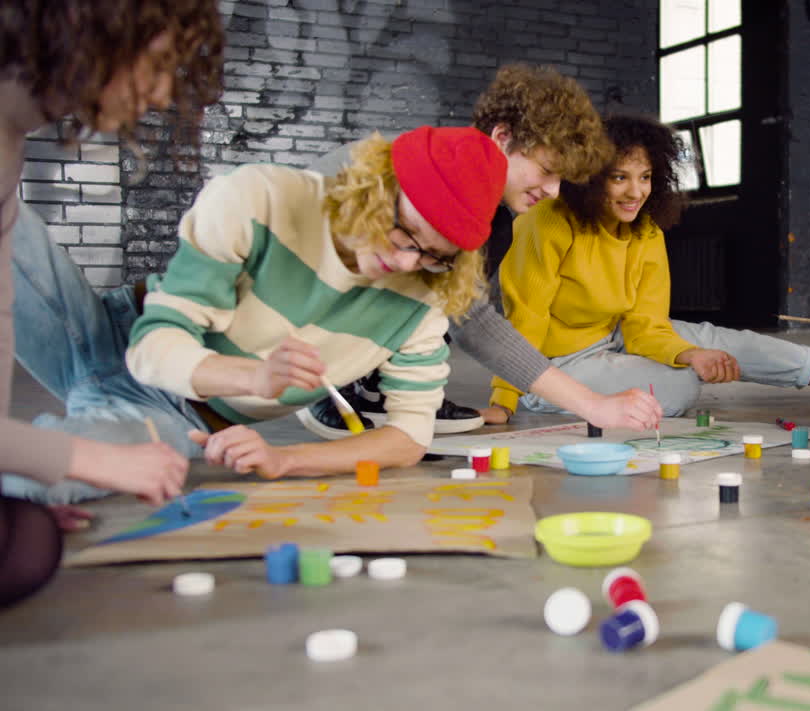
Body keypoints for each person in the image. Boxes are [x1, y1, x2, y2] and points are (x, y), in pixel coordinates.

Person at [4, 125, 508, 511]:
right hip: (102, 331)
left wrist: (285, 459)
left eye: (434, 256)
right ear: (377, 186)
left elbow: (409, 438)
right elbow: (152, 350)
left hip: (176, 418)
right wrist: (255, 377)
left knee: (33, 479)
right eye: (404, 236)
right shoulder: (261, 196)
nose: (405, 263)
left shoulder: (423, 304)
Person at [298, 64, 665, 438]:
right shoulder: (417, 171)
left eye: (562, 179)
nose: (554, 191)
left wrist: (593, 405)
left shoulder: (498, 221)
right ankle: (329, 378)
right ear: (502, 137)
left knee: (442, 296)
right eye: (547, 170)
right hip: (295, 292)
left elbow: (470, 318)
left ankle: (381, 388)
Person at [0, 0, 224, 607]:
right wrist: (84, 458)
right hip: (133, 362)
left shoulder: (11, 139)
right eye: (154, 66)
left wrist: (42, 474)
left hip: (138, 380)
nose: (157, 96)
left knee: (29, 538)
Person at [489, 114, 810, 419]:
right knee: (680, 387)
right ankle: (540, 398)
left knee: (726, 344)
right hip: (555, 360)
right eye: (619, 178)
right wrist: (505, 398)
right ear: (590, 178)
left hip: (615, 334)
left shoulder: (645, 232)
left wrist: (690, 353)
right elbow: (526, 317)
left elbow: (646, 326)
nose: (635, 192)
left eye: (645, 178)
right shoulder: (547, 221)